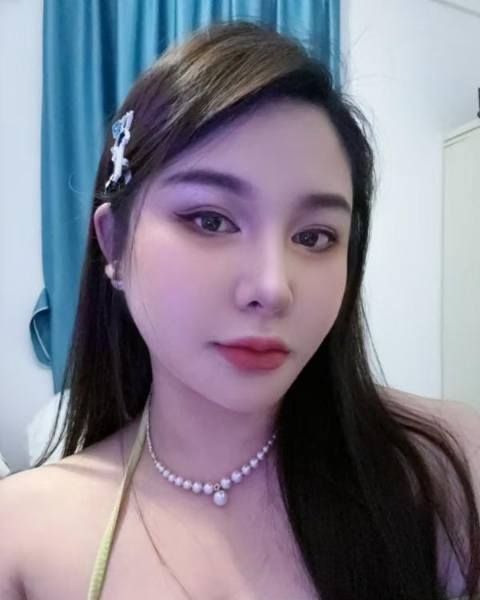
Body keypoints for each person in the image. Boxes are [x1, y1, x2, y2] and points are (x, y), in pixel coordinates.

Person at [1, 19, 479, 600]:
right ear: (114, 244)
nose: (273, 288)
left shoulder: (443, 468)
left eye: (314, 236)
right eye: (210, 220)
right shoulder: (22, 533)